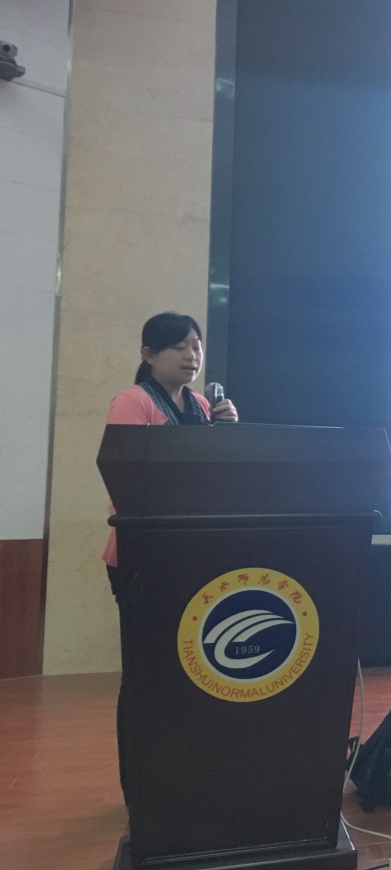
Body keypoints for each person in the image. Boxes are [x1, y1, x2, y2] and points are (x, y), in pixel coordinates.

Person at [102, 311, 237, 804]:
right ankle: (140, 789)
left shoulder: (203, 406)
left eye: (196, 346)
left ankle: (186, 775)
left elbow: (217, 483)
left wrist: (229, 434)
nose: (191, 355)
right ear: (148, 354)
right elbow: (129, 478)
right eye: (178, 346)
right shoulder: (133, 402)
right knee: (147, 674)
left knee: (193, 671)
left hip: (194, 556)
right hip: (142, 557)